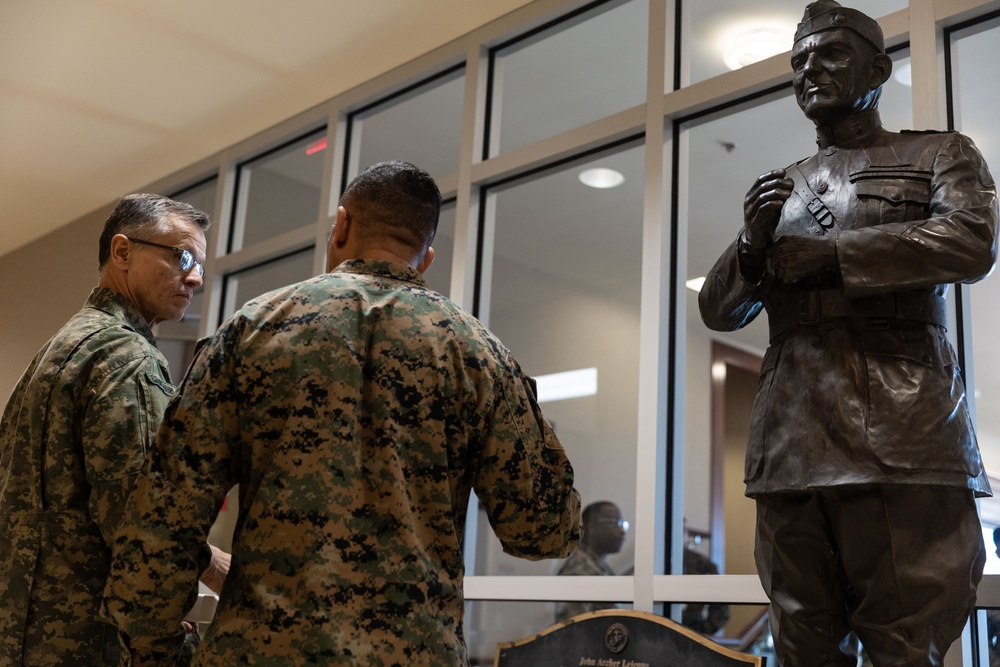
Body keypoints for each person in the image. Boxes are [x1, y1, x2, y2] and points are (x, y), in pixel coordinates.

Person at [103, 160, 582, 665]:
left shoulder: (252, 331)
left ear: (343, 225)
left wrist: (157, 650)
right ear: (425, 258)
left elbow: (163, 518)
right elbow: (544, 529)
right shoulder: (478, 353)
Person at [698, 1, 998, 665]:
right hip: (790, 449)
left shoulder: (938, 152)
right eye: (799, 62)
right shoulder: (783, 189)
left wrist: (837, 256)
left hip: (903, 438)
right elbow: (719, 311)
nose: (810, 71)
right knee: (803, 645)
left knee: (903, 644)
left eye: (830, 55)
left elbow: (971, 241)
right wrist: (752, 242)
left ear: (879, 68)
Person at [0, 194, 213, 664]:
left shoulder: (61, 347)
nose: (195, 276)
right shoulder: (126, 357)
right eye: (181, 257)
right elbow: (141, 524)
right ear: (122, 252)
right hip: (88, 641)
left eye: (199, 263)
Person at [555, 501, 628, 622]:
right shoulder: (578, 570)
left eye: (622, 524)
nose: (621, 530)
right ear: (591, 527)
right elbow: (574, 628)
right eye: (614, 522)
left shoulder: (595, 564)